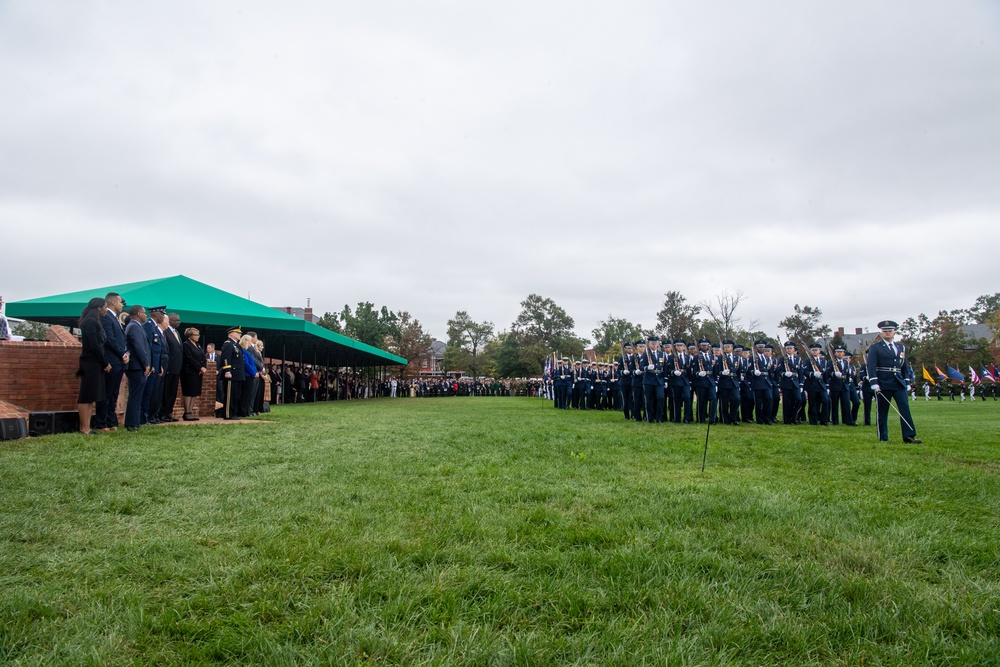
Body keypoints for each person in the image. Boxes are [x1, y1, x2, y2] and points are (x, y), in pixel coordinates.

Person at [866, 320, 921, 443]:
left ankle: (909, 436)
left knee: (904, 408)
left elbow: (904, 366)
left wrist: (907, 381)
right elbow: (871, 366)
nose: (887, 333)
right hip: (883, 383)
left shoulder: (901, 347)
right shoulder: (875, 348)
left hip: (898, 382)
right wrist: (874, 382)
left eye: (889, 331)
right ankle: (883, 437)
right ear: (881, 333)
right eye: (885, 331)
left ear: (894, 332)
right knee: (882, 411)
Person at [77, 297, 111, 435]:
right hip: (90, 362)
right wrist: (105, 362)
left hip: (95, 363)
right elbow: (94, 345)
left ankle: (88, 426)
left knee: (92, 396)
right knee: (86, 395)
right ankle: (84, 427)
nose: (106, 309)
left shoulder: (95, 322)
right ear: (98, 307)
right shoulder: (90, 322)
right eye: (105, 306)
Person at [99, 292, 129, 431]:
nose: (122, 305)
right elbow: (109, 339)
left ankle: (111, 421)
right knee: (107, 392)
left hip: (119, 360)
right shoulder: (106, 317)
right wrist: (121, 352)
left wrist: (125, 353)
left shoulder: (116, 318)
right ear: (113, 303)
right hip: (112, 359)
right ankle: (102, 422)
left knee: (114, 393)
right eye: (120, 302)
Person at [124, 305, 152, 431]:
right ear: (139, 313)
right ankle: (132, 423)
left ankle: (134, 421)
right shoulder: (134, 326)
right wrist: (145, 363)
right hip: (136, 366)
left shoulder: (136, 326)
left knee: (138, 395)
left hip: (138, 366)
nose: (146, 315)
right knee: (135, 395)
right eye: (145, 313)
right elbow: (139, 347)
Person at [158, 313, 184, 422]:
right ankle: (162, 413)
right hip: (168, 367)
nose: (178, 322)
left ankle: (168, 412)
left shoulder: (176, 332)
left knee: (173, 392)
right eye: (176, 320)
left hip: (176, 368)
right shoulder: (165, 332)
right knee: (166, 391)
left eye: (179, 320)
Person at [180, 327, 207, 420]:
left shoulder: (198, 345)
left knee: (194, 392)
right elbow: (189, 358)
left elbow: (203, 357)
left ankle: (190, 412)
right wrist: (199, 367)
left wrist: (204, 366)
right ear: (190, 336)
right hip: (189, 372)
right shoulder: (186, 345)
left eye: (198, 335)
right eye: (196, 335)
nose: (198, 337)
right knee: (188, 391)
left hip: (197, 373)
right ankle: (187, 412)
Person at [219, 326, 245, 419]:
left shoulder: (236, 345)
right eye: (238, 333)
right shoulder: (228, 344)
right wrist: (227, 371)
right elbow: (226, 358)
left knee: (236, 395)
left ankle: (233, 413)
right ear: (232, 334)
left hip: (237, 374)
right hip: (231, 373)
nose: (240, 335)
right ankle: (228, 414)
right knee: (230, 395)